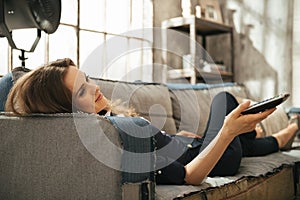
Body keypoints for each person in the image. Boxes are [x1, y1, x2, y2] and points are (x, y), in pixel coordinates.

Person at [5, 58, 299, 185]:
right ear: (64, 110)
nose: (95, 88)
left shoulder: (108, 123)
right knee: (225, 100)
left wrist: (178, 137)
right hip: (211, 160)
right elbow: (188, 176)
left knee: (242, 136)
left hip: (194, 147)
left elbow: (161, 148)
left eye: (88, 79)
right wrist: (226, 133)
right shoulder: (117, 137)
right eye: (82, 90)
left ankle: (278, 135)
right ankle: (287, 131)